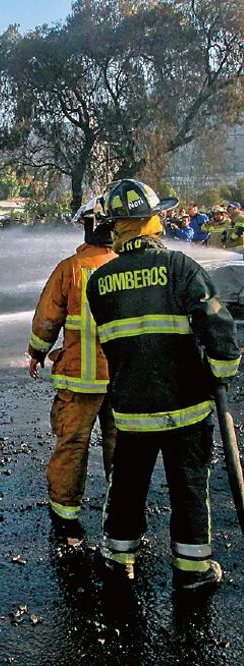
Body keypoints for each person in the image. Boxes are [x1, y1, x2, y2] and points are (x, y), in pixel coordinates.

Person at [86, 179, 239, 592]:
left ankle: (119, 560)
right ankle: (192, 571)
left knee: (127, 485)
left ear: (116, 226)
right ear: (151, 221)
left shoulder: (99, 282)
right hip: (187, 407)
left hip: (132, 409)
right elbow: (217, 323)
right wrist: (223, 372)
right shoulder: (182, 268)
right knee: (189, 486)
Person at [27, 196, 117, 542]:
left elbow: (48, 317)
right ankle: (120, 512)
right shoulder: (127, 267)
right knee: (120, 447)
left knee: (72, 445)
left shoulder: (71, 268)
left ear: (88, 227)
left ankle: (66, 517)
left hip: (80, 379)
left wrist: (37, 352)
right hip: (121, 379)